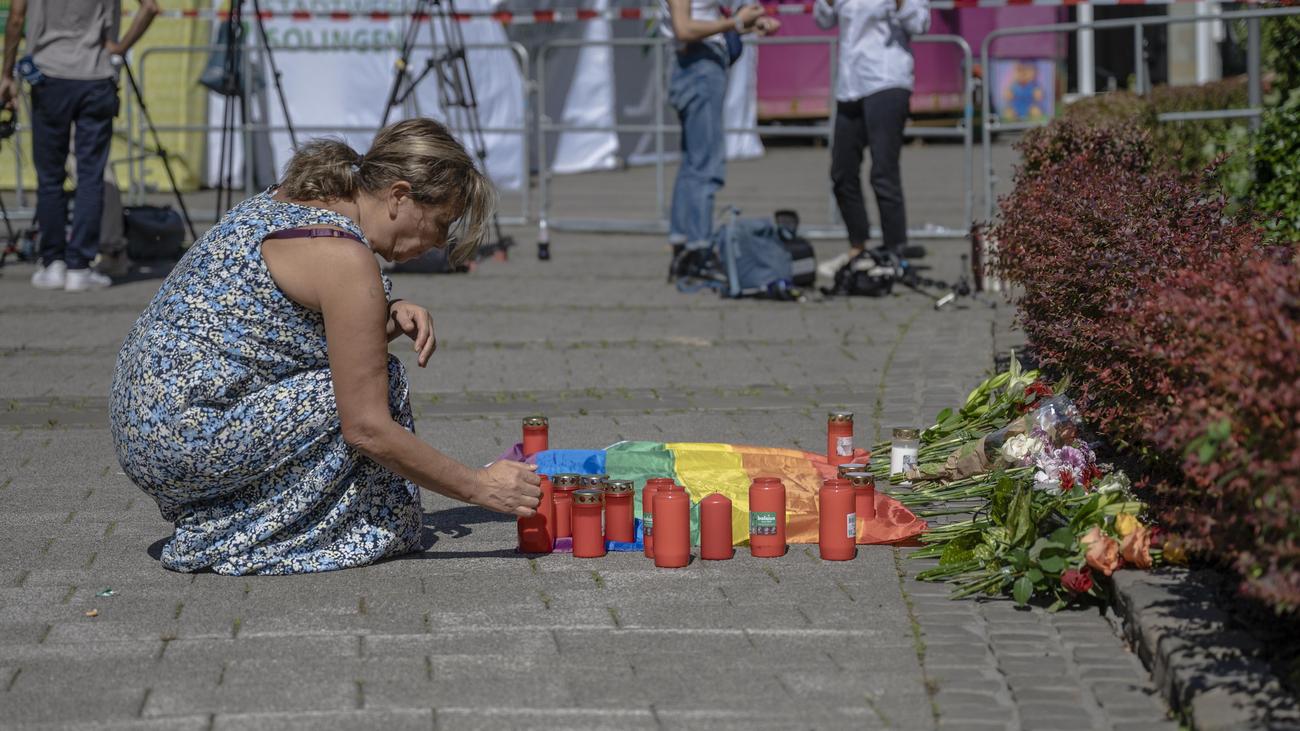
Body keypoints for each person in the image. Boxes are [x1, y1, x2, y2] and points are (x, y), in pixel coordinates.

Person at [109, 119, 541, 575]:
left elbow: (276, 326)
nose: (438, 242)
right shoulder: (343, 256)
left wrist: (384, 314)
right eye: (441, 222)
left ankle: (242, 519)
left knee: (366, 377)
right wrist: (479, 487)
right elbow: (366, 429)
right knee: (377, 390)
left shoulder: (292, 201)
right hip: (184, 436)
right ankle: (238, 535)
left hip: (145, 424)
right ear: (399, 196)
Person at [0, 0, 159, 291]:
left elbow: (15, 19)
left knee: (49, 177)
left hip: (48, 74)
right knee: (90, 176)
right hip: (94, 74)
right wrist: (121, 47)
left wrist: (7, 73)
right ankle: (79, 265)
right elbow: (150, 7)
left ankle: (52, 262)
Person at [813, 0, 929, 280]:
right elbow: (823, 19)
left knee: (883, 172)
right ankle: (858, 248)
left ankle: (894, 252)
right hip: (850, 84)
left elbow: (921, 23)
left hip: (887, 79)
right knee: (841, 171)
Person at [662, 0, 779, 262]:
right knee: (706, 166)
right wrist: (735, 23)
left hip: (697, 64)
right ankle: (698, 249)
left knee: (693, 163)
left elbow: (700, 23)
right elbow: (684, 28)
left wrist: (747, 27)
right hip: (698, 66)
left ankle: (683, 244)